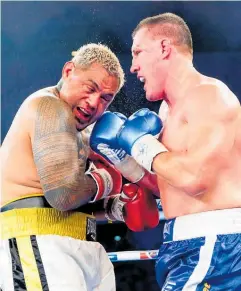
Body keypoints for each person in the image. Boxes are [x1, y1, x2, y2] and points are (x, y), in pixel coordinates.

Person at [90, 13, 241, 290]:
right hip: (189, 243)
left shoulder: (209, 96)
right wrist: (124, 161)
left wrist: (139, 144)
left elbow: (195, 179)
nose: (133, 66)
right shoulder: (168, 111)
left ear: (164, 47)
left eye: (138, 52)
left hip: (216, 244)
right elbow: (169, 185)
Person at [0, 43, 159, 291]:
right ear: (68, 71)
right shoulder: (49, 107)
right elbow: (63, 194)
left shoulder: (84, 135)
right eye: (90, 88)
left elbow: (67, 198)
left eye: (106, 98)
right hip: (39, 243)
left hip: (81, 245)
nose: (94, 102)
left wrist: (115, 207)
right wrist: (110, 179)